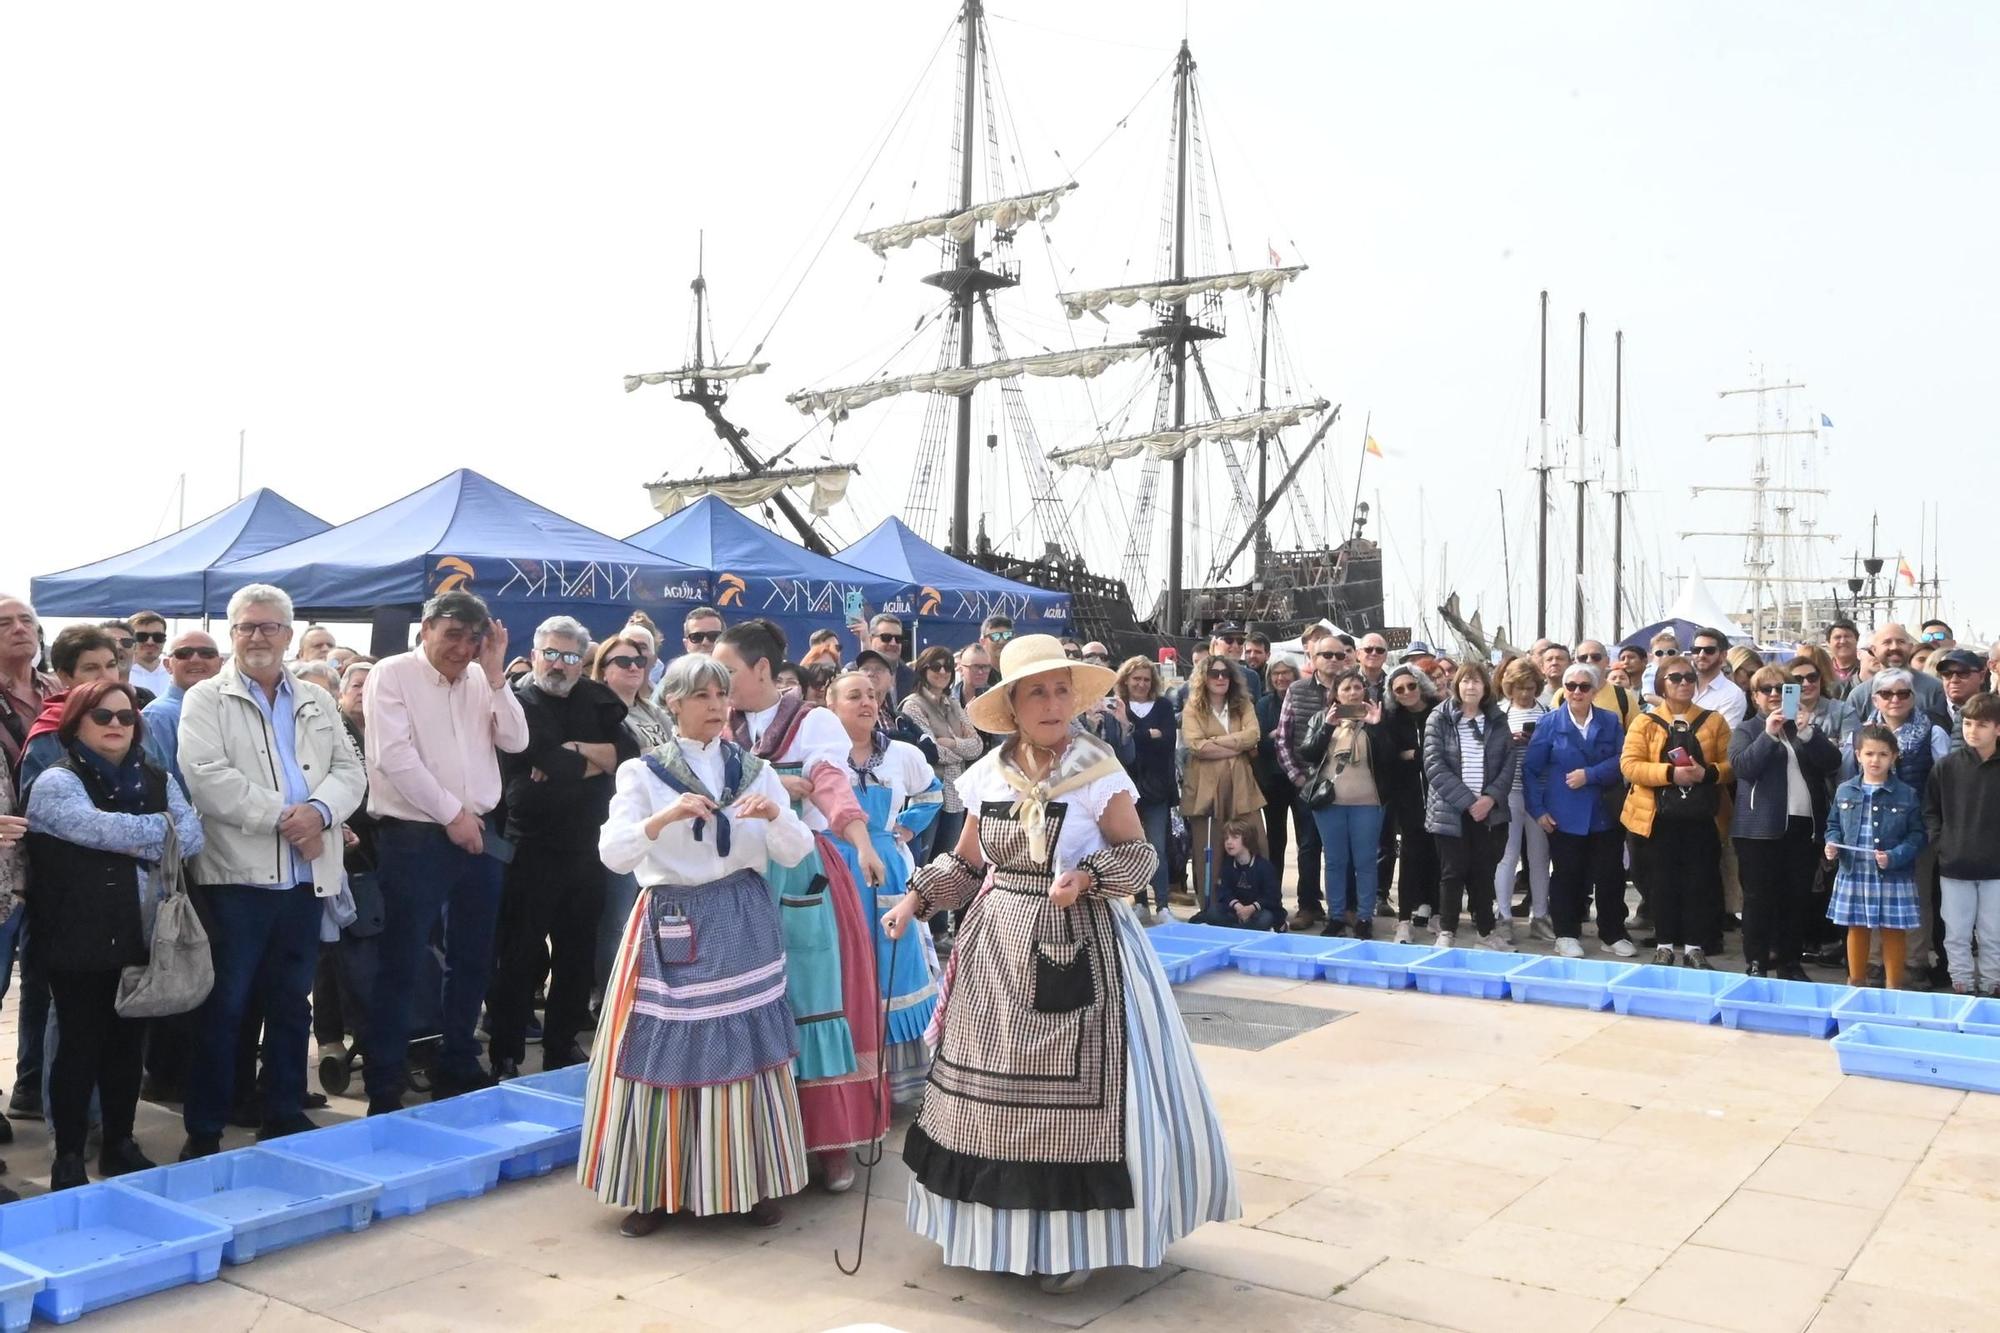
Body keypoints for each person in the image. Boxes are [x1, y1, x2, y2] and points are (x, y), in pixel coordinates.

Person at [883, 633, 1239, 1293]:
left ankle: (1075, 1240)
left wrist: (1088, 877)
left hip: (1082, 949)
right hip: (995, 952)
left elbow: (1138, 854)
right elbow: (966, 863)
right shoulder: (988, 773)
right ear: (1011, 704)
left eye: (1059, 690)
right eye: (1035, 691)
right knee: (990, 1093)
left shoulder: (1097, 768)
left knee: (1075, 1102)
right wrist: (916, 900)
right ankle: (989, 1231)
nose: (1051, 702)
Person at [582, 653, 812, 1234]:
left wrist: (776, 815)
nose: (716, 707)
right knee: (663, 1043)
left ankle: (748, 1180)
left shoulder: (753, 769)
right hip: (674, 914)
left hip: (740, 913)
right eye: (703, 697)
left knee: (752, 1039)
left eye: (722, 696)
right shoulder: (643, 773)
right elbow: (613, 853)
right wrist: (662, 821)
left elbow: (794, 851)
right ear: (674, 703)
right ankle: (656, 1188)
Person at [175, 585, 366, 1158]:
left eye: (270, 627)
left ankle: (283, 1111)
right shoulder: (206, 698)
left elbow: (349, 769)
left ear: (288, 633)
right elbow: (205, 777)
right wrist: (288, 818)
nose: (258, 636)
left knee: (291, 1003)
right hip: (237, 879)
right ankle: (204, 1129)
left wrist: (323, 812)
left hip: (305, 879)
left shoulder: (315, 696)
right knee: (225, 1005)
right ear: (232, 634)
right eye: (247, 627)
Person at [718, 619, 886, 1193]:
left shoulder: (811, 720)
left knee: (814, 997)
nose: (720, 682)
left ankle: (829, 1141)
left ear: (762, 669)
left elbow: (832, 782)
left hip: (802, 871)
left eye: (730, 671)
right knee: (743, 1000)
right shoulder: (721, 723)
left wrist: (861, 840)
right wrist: (765, 788)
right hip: (736, 876)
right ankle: (756, 1140)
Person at [24, 679, 205, 1188]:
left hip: (141, 932)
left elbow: (191, 836)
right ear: (76, 722)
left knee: (128, 1046)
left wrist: (140, 832)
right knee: (79, 1046)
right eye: (102, 716)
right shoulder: (57, 781)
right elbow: (93, 828)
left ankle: (121, 1143)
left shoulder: (154, 773)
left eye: (126, 717)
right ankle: (68, 1155)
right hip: (77, 935)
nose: (116, 726)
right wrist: (157, 831)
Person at [360, 591, 527, 1114]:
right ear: (425, 629)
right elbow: (394, 758)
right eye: (451, 634)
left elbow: (517, 741)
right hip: (415, 837)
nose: (461, 648)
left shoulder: (481, 676)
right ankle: (384, 1083)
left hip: (477, 832)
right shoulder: (391, 673)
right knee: (402, 962)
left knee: (473, 960)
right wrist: (451, 815)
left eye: (472, 638)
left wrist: (497, 675)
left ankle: (458, 1062)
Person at [487, 617, 635, 1081]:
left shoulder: (597, 699)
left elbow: (629, 758)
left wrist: (572, 751)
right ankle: (506, 1050)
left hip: (587, 848)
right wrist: (592, 762)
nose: (559, 663)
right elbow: (530, 776)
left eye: (571, 656)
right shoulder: (516, 701)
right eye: (551, 653)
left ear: (582, 661)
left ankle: (562, 1044)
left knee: (576, 953)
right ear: (534, 654)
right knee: (519, 954)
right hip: (530, 847)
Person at [822, 671, 940, 1104]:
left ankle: (899, 1086)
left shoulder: (901, 754)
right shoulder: (823, 756)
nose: (867, 702)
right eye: (854, 696)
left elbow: (932, 793)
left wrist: (902, 832)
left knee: (896, 962)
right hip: (835, 864)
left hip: (887, 866)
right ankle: (851, 1086)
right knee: (844, 966)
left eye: (872, 695)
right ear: (831, 704)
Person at [1620, 655, 1733, 968]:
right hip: (1656, 817)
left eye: (1688, 677)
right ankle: (1665, 944)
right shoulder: (1645, 721)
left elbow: (1730, 765)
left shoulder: (1714, 721)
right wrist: (1670, 774)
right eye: (1675, 678)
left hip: (1701, 816)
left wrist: (1705, 773)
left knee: (1700, 882)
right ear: (1662, 684)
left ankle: (1695, 946)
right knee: (1661, 883)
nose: (1684, 683)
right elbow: (1629, 766)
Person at [1729, 665, 1841, 979]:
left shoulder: (1803, 728)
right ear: (1755, 696)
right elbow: (1743, 767)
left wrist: (1807, 733)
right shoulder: (1748, 729)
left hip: (1803, 827)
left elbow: (1832, 764)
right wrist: (1768, 735)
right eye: (1767, 690)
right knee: (1758, 899)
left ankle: (1790, 962)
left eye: (1783, 689)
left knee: (1796, 898)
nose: (1775, 695)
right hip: (1758, 830)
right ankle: (1756, 960)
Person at [1525, 663, 1633, 959]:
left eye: (1584, 686)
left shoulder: (1610, 721)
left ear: (1595, 690)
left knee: (1610, 876)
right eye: (1570, 685)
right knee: (1567, 876)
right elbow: (1531, 770)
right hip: (1564, 813)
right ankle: (1566, 933)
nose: (1576, 692)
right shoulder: (1549, 723)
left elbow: (1622, 760)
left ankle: (1612, 933)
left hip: (1604, 812)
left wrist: (1590, 774)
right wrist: (1538, 810)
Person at [589, 627, 672, 995]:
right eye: (623, 660)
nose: (634, 666)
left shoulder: (654, 711)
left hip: (664, 824)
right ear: (604, 669)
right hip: (621, 823)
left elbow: (674, 757)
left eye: (640, 659)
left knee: (650, 916)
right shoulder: (596, 708)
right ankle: (609, 997)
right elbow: (615, 762)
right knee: (618, 918)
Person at [1423, 663, 1518, 950]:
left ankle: (1486, 932)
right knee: (1451, 873)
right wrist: (1467, 802)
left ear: (1486, 687)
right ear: (1457, 685)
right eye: (1466, 681)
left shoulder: (1497, 719)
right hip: (1451, 811)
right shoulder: (1439, 717)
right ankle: (1447, 930)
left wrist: (1489, 798)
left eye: (1477, 682)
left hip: (1489, 811)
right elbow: (1434, 765)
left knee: (1484, 872)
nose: (1471, 687)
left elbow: (1508, 762)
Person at [1827, 725, 1926, 989]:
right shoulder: (1845, 790)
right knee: (1856, 928)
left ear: (1894, 756)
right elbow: (1833, 824)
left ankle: (1894, 987)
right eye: (1869, 754)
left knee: (1893, 930)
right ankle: (1855, 982)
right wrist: (1832, 843)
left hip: (1892, 873)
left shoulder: (1907, 794)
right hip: (1854, 871)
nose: (1875, 760)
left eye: (1883, 754)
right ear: (1858, 755)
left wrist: (1894, 857)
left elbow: (1917, 835)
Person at [1298, 669, 1387, 937]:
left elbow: (1388, 757)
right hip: (1331, 803)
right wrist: (1327, 726)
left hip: (1368, 802)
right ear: (1335, 693)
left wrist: (1377, 726)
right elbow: (1308, 753)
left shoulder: (1377, 717)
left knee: (1365, 861)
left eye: (1357, 687)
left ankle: (1363, 917)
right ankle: (1336, 916)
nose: (1352, 692)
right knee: (1335, 861)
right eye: (1346, 688)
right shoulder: (1322, 718)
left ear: (1365, 691)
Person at [1925, 692, 2000, 996]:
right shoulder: (1946, 766)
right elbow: (1931, 810)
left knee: (1992, 932)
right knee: (1956, 931)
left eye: (1982, 724)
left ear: (1998, 728)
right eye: (1968, 723)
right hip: (1954, 864)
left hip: (1996, 868)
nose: (1973, 730)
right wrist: (1942, 842)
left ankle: (1993, 982)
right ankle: (1962, 983)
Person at [1180, 656, 1265, 911]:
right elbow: (1195, 745)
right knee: (1208, 849)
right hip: (1205, 789)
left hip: (1242, 785)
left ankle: (1260, 903)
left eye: (1225, 674)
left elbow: (1253, 735)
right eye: (1214, 674)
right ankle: (1210, 907)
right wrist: (1236, 747)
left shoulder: (1243, 705)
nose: (1220, 678)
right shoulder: (1192, 708)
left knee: (1255, 841)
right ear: (1203, 678)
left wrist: (1215, 741)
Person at [1275, 627, 1342, 927]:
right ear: (1313, 658)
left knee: (1342, 850)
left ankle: (1343, 907)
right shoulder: (1297, 690)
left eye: (1339, 655)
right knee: (1308, 846)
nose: (1333, 660)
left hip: (1346, 782)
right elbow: (1283, 738)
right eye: (1326, 655)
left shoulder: (1354, 688)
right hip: (1309, 782)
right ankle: (1308, 905)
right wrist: (1296, 776)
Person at [900, 645, 984, 865]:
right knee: (921, 862)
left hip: (956, 795)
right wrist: (960, 748)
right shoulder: (912, 705)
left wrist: (951, 743)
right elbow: (932, 752)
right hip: (928, 795)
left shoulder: (953, 703)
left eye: (947, 667)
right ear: (923, 669)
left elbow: (977, 746)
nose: (943, 672)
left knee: (947, 863)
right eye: (935, 667)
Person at [17, 626, 122, 793]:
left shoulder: (135, 721)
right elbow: (40, 808)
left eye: (111, 665)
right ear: (64, 676)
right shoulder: (50, 732)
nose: (106, 676)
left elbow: (162, 785)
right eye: (91, 668)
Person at [1493, 658, 1553, 941]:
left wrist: (1536, 744)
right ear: (1509, 688)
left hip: (1539, 791)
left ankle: (1540, 915)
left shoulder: (1547, 713)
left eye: (1530, 688)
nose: (1525, 694)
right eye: (1519, 688)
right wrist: (1510, 742)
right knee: (1507, 855)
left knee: (1539, 858)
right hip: (1509, 791)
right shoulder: (1499, 713)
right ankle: (1503, 915)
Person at [1116, 656, 1179, 919]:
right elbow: (1118, 745)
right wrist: (1147, 733)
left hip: (1157, 786)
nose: (1141, 684)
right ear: (1126, 680)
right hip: (1126, 786)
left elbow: (1167, 740)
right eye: (1136, 679)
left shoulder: (1163, 706)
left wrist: (1132, 730)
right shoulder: (1118, 705)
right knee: (1132, 846)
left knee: (1157, 846)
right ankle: (1140, 900)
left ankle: (1163, 904)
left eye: (1146, 679)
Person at [1379, 664, 1439, 943]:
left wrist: (1412, 755)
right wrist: (1415, 757)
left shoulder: (1440, 710)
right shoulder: (1392, 718)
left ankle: (1438, 913)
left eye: (1411, 686)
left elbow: (1443, 754)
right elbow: (1389, 756)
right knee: (1411, 858)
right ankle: (1404, 920)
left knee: (1440, 858)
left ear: (1420, 684)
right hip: (1409, 798)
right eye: (1398, 689)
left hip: (1441, 795)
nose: (1406, 692)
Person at [1252, 657, 1310, 929]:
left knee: (1306, 841)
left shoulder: (1301, 699)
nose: (1281, 678)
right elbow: (1258, 741)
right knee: (1275, 841)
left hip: (1298, 777)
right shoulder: (1264, 704)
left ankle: (1307, 901)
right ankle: (1273, 898)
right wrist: (1274, 736)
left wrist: (1281, 736)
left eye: (1286, 673)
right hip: (1273, 779)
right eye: (1276, 674)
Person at [138, 630, 221, 791]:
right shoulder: (158, 716)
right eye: (184, 653)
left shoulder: (231, 708)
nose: (196, 659)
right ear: (167, 665)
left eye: (207, 653)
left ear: (220, 663)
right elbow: (161, 786)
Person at [0, 594, 59, 779]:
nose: (19, 628)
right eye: (4, 623)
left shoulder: (62, 688)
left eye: (26, 621)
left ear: (38, 633)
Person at [1191, 818, 1283, 930]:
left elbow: (1272, 896)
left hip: (1257, 910)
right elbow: (1224, 891)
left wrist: (1251, 908)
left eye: (1235, 837)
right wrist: (1238, 907)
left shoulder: (1264, 866)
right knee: (1213, 912)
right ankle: (1245, 928)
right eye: (1226, 838)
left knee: (1265, 918)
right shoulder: (1228, 865)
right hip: (1236, 911)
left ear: (1247, 839)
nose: (1229, 842)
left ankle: (1239, 928)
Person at [1687, 628, 1747, 727]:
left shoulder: (1732, 694)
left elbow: (1723, 737)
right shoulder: (1681, 684)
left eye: (1709, 650)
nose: (1701, 655)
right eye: (1696, 650)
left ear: (1723, 655)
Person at [859, 613, 916, 702]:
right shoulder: (853, 672)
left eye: (898, 639)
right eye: (886, 637)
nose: (893, 643)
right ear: (871, 639)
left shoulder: (912, 677)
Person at [1935, 649, 1986, 744]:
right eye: (1947, 674)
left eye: (1963, 673)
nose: (1954, 680)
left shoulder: (1995, 713)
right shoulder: (1927, 718)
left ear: (1982, 676)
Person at [125, 612, 171, 697]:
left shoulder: (174, 672)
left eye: (158, 637)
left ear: (164, 640)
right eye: (141, 636)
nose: (150, 642)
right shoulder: (119, 673)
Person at [1826, 621, 1863, 700]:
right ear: (1828, 643)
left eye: (1847, 636)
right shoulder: (1822, 671)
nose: (1843, 641)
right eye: (1837, 637)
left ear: (1857, 640)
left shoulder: (1865, 669)